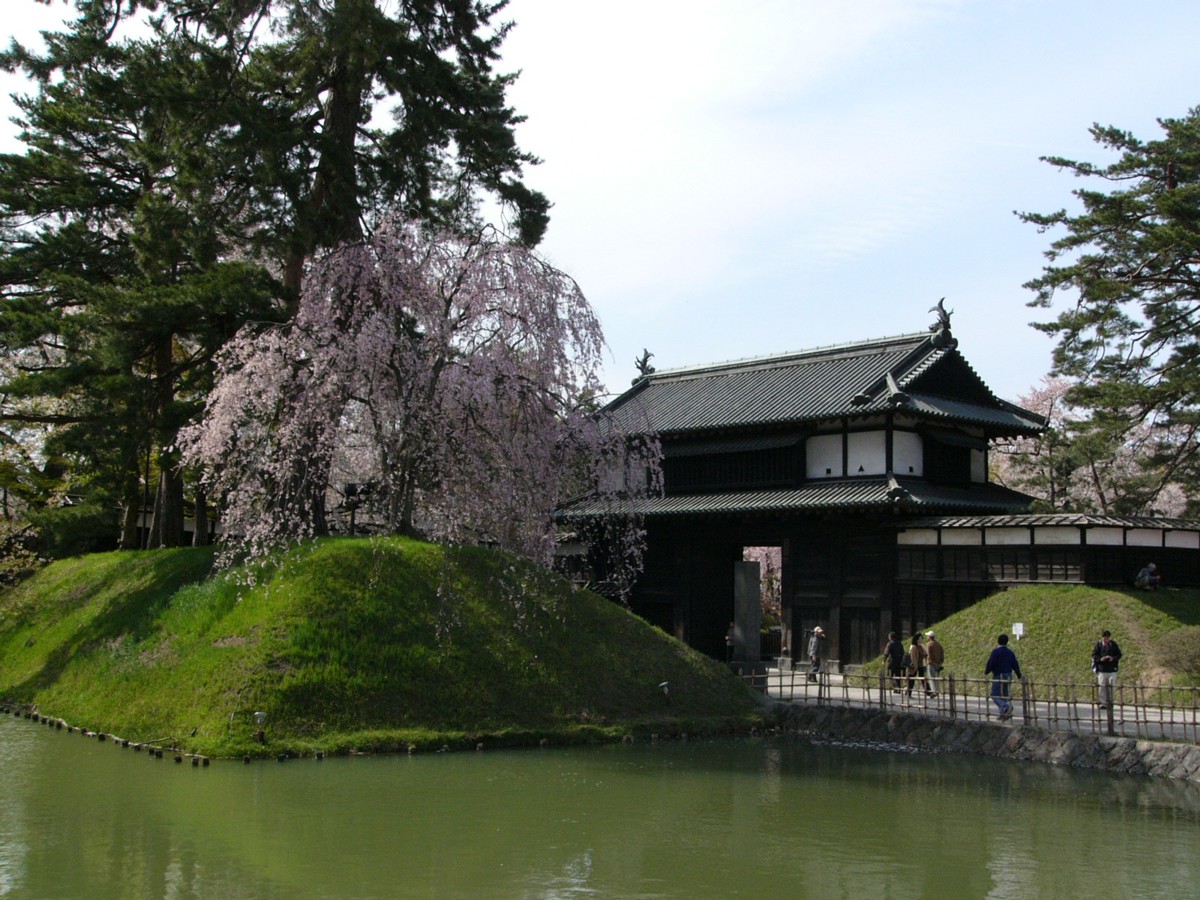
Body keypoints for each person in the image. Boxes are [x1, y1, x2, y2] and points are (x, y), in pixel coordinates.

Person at [985, 633, 1023, 720]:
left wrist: (987, 671)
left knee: (995, 695)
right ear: (1007, 642)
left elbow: (991, 662)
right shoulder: (1010, 652)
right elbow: (1015, 665)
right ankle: (1003, 713)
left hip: (999, 675)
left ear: (998, 641)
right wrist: (1019, 675)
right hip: (1008, 674)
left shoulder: (996, 652)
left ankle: (1006, 707)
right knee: (1005, 695)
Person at [1091, 629, 1123, 709]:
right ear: (1102, 638)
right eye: (1104, 638)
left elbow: (1119, 654)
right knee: (1102, 686)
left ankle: (1110, 702)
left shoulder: (1113, 644)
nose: (1106, 640)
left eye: (1107, 638)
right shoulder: (1098, 645)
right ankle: (1103, 703)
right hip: (1102, 670)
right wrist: (1100, 659)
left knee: (1110, 686)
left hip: (1112, 669)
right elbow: (1094, 655)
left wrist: (1113, 658)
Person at [905, 632, 927, 699]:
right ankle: (908, 693)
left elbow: (925, 654)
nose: (921, 639)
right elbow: (913, 657)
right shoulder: (913, 647)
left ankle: (929, 692)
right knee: (911, 680)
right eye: (920, 638)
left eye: (921, 638)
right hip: (914, 666)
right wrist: (915, 666)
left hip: (920, 665)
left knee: (923, 679)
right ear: (917, 639)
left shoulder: (921, 646)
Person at [925, 631, 944, 698]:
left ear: (930, 637)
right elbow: (942, 653)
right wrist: (940, 661)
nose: (927, 637)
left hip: (931, 663)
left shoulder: (929, 644)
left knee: (931, 677)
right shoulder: (938, 644)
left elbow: (928, 654)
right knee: (937, 677)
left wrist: (929, 661)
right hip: (938, 663)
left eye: (927, 636)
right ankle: (937, 690)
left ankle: (934, 691)